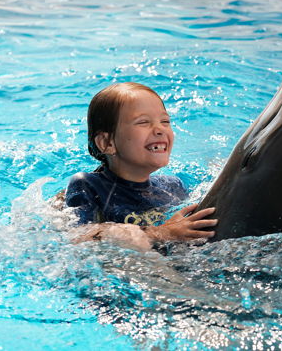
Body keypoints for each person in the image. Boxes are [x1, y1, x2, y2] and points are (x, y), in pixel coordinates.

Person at [65, 82, 216, 249]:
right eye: (143, 122)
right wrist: (161, 233)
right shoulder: (89, 186)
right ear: (107, 143)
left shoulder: (173, 187)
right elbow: (78, 238)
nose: (160, 129)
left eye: (165, 121)